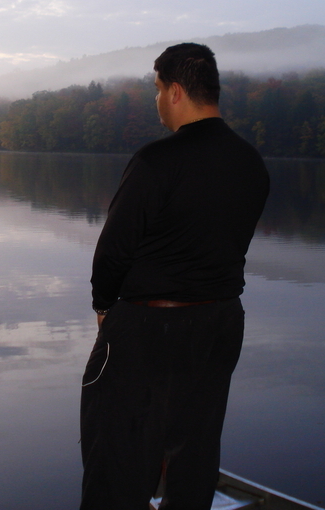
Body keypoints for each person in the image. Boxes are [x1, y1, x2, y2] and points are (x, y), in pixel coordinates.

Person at [80, 43, 270, 510]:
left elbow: (112, 253)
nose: (157, 100)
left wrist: (104, 307)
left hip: (148, 327)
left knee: (117, 457)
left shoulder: (155, 162)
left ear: (177, 92)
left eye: (158, 90)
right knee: (194, 450)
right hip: (219, 323)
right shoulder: (252, 164)